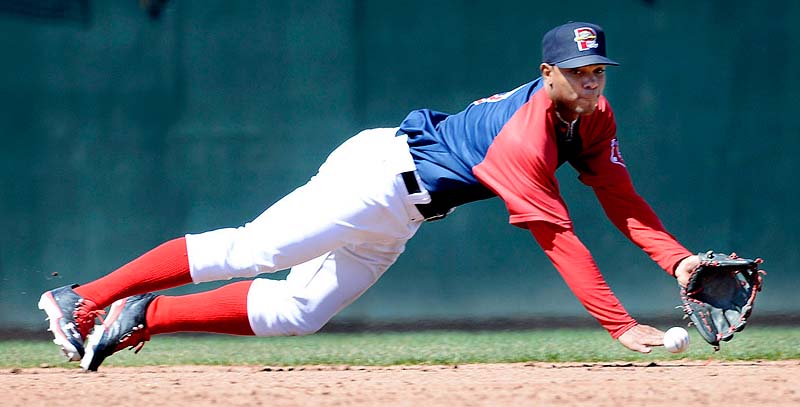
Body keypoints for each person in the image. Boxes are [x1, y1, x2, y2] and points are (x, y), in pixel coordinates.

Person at [38, 21, 701, 371]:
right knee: (254, 247)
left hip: (404, 212)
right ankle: (86, 298)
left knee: (299, 310)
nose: (591, 83)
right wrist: (619, 322)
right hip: (378, 177)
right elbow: (558, 237)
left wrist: (680, 263)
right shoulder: (520, 139)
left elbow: (620, 196)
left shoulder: (594, 117)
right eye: (578, 72)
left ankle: (142, 317)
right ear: (547, 72)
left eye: (598, 71)